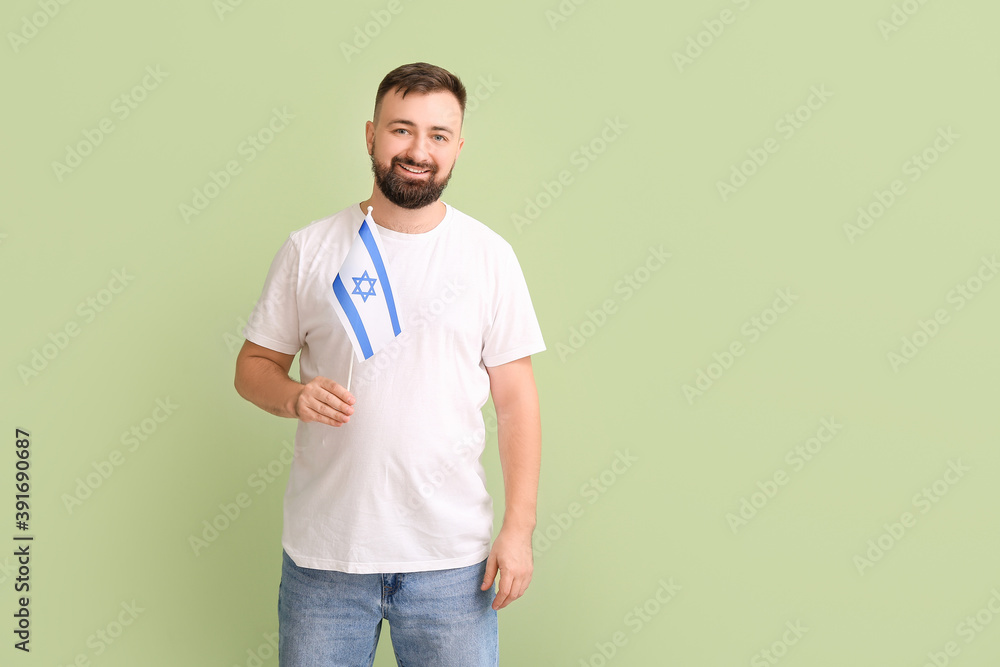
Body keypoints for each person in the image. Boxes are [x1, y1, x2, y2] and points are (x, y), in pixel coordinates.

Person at [233, 62, 546, 666]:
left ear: (457, 147)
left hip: (453, 564)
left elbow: (517, 402)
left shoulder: (488, 257)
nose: (418, 150)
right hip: (326, 562)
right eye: (402, 129)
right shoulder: (311, 248)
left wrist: (519, 529)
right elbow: (253, 366)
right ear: (371, 135)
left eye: (438, 135)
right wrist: (293, 396)